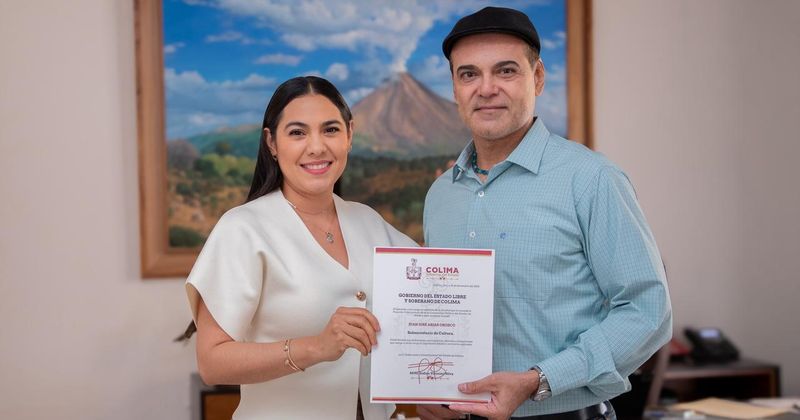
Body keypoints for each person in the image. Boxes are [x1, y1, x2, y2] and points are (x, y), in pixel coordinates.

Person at [418, 7, 672, 420]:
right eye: (469, 74)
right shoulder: (440, 195)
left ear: (537, 77)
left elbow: (647, 312)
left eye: (505, 71)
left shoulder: (592, 179)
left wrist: (540, 378)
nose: (486, 89)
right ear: (454, 88)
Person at [185, 76, 416, 420]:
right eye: (297, 133)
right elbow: (213, 363)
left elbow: (432, 294)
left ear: (349, 135)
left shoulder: (370, 223)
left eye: (331, 130)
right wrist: (316, 347)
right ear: (271, 143)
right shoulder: (243, 229)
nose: (317, 147)